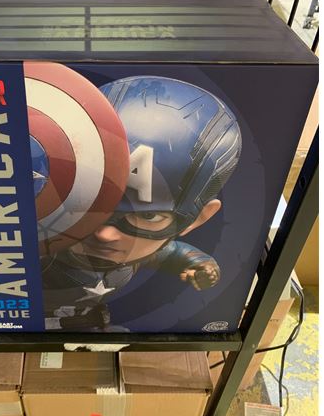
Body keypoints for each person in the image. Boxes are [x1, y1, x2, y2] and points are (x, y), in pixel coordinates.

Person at [41, 76, 242, 331]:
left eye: (147, 216)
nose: (104, 234)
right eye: (87, 204)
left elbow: (172, 254)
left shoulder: (145, 249)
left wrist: (202, 265)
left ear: (199, 217)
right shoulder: (41, 241)